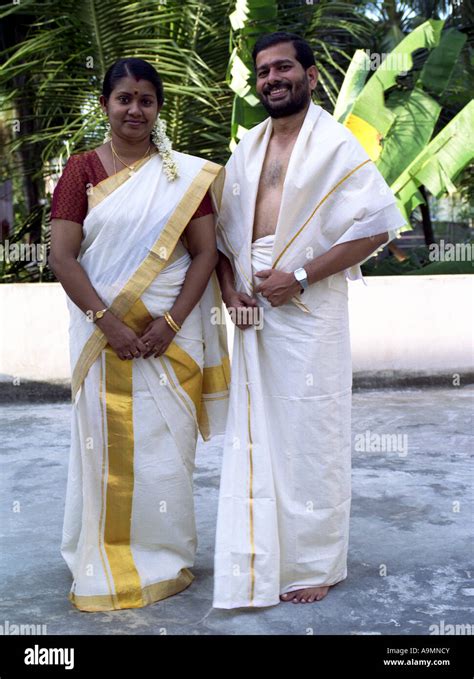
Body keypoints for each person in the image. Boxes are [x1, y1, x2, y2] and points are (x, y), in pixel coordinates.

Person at [213, 32, 405, 608]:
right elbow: (221, 238)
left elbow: (376, 227)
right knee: (254, 433)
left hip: (309, 306)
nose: (273, 78)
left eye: (284, 67)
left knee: (311, 434)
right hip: (251, 307)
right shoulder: (247, 147)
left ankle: (316, 562)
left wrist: (297, 277)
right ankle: (258, 550)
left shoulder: (336, 145)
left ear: (311, 74)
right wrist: (231, 291)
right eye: (264, 70)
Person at [49, 57, 229, 612]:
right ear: (105, 104)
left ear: (157, 108)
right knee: (103, 451)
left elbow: (204, 254)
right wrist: (110, 324)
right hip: (102, 339)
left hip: (168, 340)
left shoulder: (182, 176)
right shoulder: (81, 171)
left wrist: (169, 322)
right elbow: (62, 257)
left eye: (145, 100)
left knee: (165, 454)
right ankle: (102, 559)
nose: (134, 109)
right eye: (124, 98)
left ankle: (166, 557)